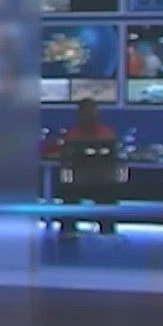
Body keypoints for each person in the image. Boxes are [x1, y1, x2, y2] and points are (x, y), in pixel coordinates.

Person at [58, 98, 118, 237]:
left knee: (105, 195)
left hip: (97, 182)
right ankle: (69, 231)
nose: (88, 115)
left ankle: (106, 231)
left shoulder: (105, 132)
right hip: (83, 182)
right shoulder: (73, 134)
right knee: (69, 193)